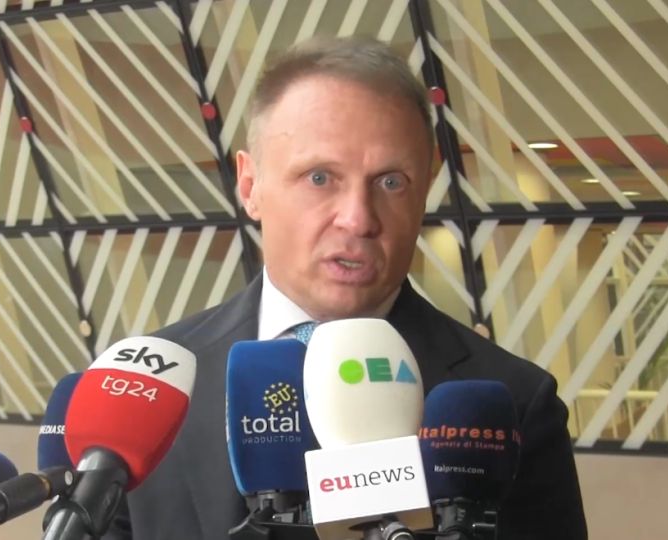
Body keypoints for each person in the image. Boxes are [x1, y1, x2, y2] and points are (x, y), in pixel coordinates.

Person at [107, 36, 587, 539]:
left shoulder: (515, 403)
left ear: (425, 190)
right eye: (320, 178)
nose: (358, 219)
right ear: (250, 186)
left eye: (391, 182)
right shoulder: (144, 392)